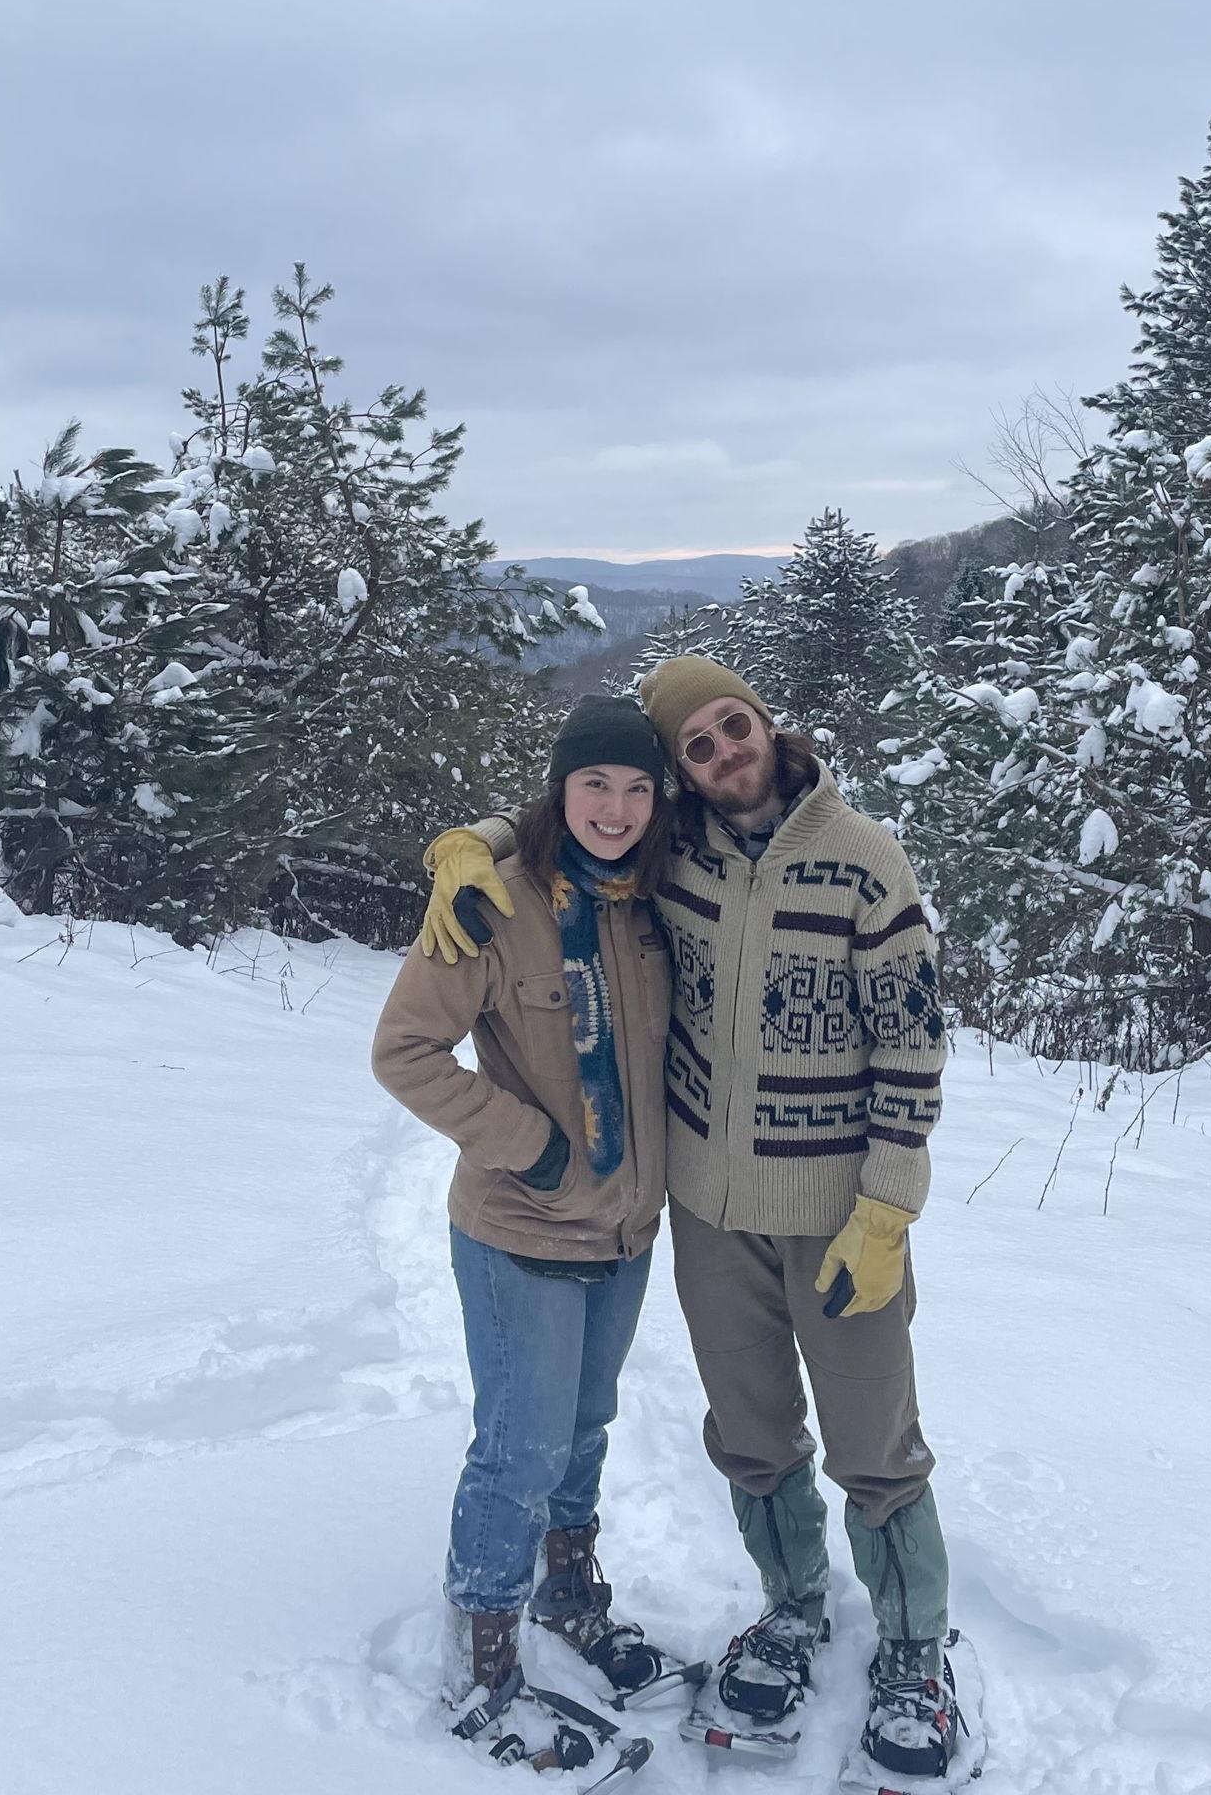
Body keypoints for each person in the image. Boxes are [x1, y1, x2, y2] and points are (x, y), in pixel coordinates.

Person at [420, 656, 959, 1783]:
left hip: (836, 1215)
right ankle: (794, 1606)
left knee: (876, 1447)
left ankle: (913, 1652)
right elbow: (569, 821)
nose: (723, 753)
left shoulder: (865, 858)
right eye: (698, 748)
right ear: (684, 777)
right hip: (710, 1214)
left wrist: (888, 1203)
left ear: (766, 721)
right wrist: (462, 842)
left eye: (732, 727)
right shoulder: (675, 860)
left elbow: (912, 1045)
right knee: (755, 1436)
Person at [371, 695, 695, 1751]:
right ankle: (486, 1641)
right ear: (560, 789)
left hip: (624, 1230)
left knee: (585, 1428)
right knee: (521, 1444)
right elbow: (406, 1050)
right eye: (595, 783)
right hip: (522, 1225)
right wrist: (534, 1145)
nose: (615, 806)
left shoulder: (656, 900)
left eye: (637, 786)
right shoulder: (491, 901)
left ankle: (566, 1588)